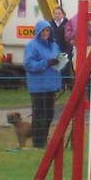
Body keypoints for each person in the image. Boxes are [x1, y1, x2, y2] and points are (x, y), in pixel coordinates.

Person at [24, 20, 63, 148]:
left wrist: (60, 62)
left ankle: (44, 141)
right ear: (38, 31)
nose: (46, 33)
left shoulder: (54, 45)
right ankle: (38, 142)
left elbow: (57, 59)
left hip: (51, 84)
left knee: (49, 115)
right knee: (39, 115)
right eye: (43, 31)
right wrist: (46, 63)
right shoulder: (32, 46)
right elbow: (28, 64)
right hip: (38, 86)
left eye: (48, 30)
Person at [50, 5, 73, 87]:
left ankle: (67, 84)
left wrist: (68, 51)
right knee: (55, 67)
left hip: (65, 49)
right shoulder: (50, 25)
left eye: (59, 13)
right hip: (54, 50)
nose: (57, 15)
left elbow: (70, 37)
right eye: (55, 13)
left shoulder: (68, 24)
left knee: (65, 68)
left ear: (63, 14)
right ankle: (57, 85)